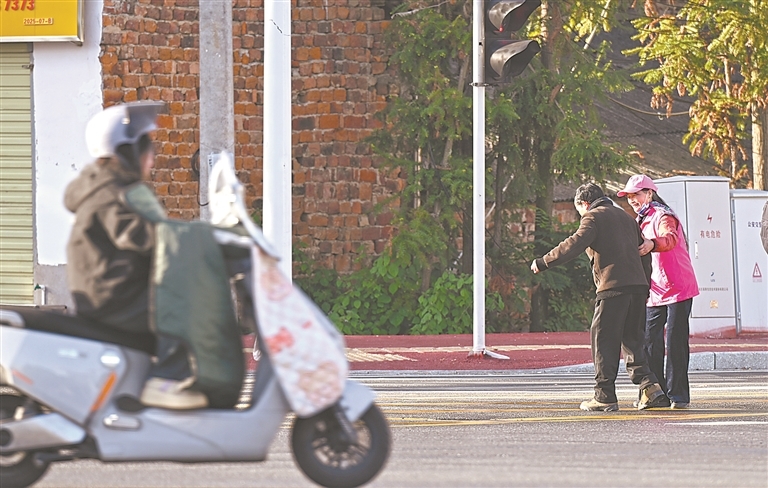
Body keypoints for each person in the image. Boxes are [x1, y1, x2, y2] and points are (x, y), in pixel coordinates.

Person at [65, 101, 207, 410]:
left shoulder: (110, 186)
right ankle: (166, 381)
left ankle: (152, 381)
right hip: (111, 296)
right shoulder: (108, 193)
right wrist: (194, 237)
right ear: (125, 154)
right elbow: (140, 235)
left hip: (118, 288)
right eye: (147, 152)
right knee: (181, 308)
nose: (152, 160)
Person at [531, 183, 667, 411]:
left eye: (579, 211)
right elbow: (643, 253)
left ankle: (604, 396)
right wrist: (644, 285)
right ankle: (650, 389)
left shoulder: (593, 217)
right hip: (637, 287)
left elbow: (574, 243)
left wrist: (543, 262)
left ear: (584, 204)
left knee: (603, 340)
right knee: (633, 341)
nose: (580, 216)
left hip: (613, 287)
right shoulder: (626, 218)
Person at [618, 174, 699, 409]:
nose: (632, 199)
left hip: (679, 286)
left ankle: (678, 395)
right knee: (649, 341)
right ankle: (657, 393)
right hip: (655, 289)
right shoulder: (639, 219)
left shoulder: (663, 215)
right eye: (629, 196)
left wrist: (653, 244)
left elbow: (670, 238)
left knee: (675, 342)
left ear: (649, 194)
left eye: (636, 194)